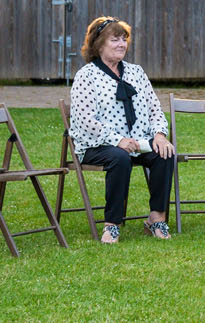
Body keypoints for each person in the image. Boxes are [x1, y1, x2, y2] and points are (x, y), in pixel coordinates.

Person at [67, 16, 177, 242]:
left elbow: (154, 108)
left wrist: (159, 135)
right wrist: (117, 140)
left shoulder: (136, 72)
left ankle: (157, 219)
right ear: (99, 45)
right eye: (114, 40)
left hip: (137, 142)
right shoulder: (86, 76)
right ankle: (112, 225)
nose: (121, 44)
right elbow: (85, 120)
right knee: (120, 157)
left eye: (124, 39)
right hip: (97, 144)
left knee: (164, 153)